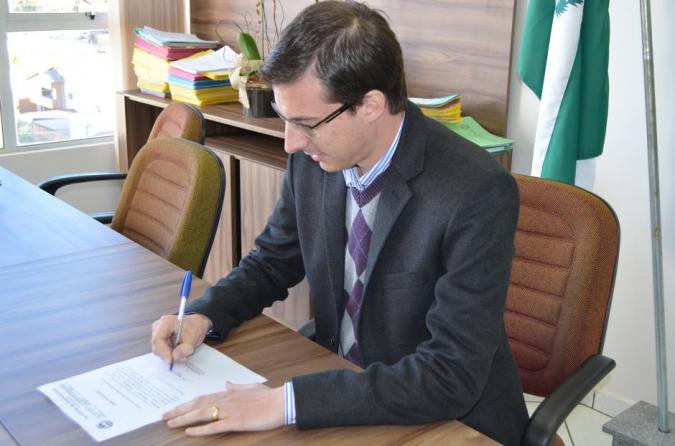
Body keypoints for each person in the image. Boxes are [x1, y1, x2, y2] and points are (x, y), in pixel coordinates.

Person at [151, 1, 528, 444]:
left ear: (370, 105)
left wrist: (284, 403)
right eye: (285, 118)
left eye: (305, 124)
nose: (290, 143)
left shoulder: (476, 193)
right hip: (340, 377)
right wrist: (203, 315)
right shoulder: (315, 159)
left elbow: (451, 374)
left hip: (446, 419)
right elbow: (271, 263)